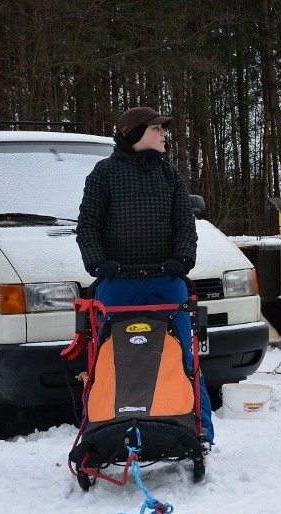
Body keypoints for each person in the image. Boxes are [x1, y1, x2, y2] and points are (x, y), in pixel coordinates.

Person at [76, 106, 214, 449]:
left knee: (185, 357)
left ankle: (199, 431)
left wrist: (183, 259)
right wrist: (97, 263)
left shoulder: (170, 176)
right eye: (157, 129)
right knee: (107, 358)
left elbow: (186, 225)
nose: (164, 134)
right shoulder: (103, 174)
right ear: (135, 133)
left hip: (165, 284)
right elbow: (88, 227)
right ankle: (99, 430)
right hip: (117, 285)